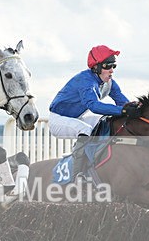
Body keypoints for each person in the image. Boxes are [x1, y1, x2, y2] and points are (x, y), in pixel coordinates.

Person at [48, 44, 143, 175]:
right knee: (86, 131)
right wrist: (123, 111)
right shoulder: (85, 81)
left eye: (113, 66)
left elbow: (123, 102)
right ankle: (78, 174)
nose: (111, 70)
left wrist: (136, 108)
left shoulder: (109, 82)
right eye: (107, 66)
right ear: (96, 67)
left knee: (106, 122)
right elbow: (94, 106)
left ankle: (104, 162)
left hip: (78, 117)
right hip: (58, 119)